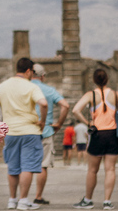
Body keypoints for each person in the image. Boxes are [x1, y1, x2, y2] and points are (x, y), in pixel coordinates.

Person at [71, 69, 118, 210]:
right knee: (110, 169)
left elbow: (75, 110)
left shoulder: (91, 95)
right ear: (107, 79)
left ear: (94, 80)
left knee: (92, 170)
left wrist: (88, 122)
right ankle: (107, 201)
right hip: (113, 134)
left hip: (98, 134)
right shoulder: (115, 95)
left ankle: (88, 199)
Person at [0, 58, 48, 211]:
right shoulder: (30, 86)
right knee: (27, 166)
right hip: (30, 131)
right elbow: (43, 103)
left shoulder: (2, 86)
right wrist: (43, 121)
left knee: (13, 167)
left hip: (10, 132)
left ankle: (12, 200)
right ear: (28, 71)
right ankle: (23, 201)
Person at [31, 63, 70, 205]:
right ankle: (38, 196)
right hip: (46, 130)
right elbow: (65, 105)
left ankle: (19, 198)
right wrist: (59, 124)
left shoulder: (25, 88)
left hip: (26, 130)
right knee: (43, 165)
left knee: (24, 164)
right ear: (42, 76)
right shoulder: (49, 90)